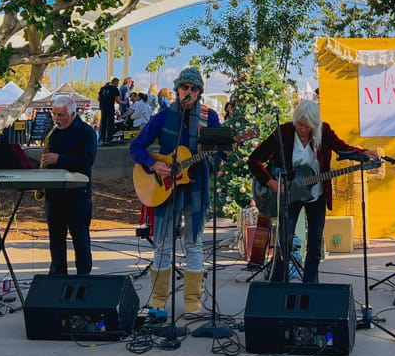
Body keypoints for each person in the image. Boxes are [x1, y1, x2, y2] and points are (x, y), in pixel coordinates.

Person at [248, 99, 377, 284]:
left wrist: (362, 153)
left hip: (316, 194)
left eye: (307, 126)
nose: (302, 129)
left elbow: (342, 148)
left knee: (315, 243)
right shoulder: (284, 132)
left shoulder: (323, 131)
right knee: (285, 241)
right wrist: (270, 182)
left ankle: (311, 286)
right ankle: (278, 284)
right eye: (299, 124)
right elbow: (255, 159)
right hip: (288, 194)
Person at [129, 68, 224, 315]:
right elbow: (136, 147)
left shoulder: (209, 116)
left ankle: (193, 302)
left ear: (199, 92)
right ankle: (158, 301)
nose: (188, 92)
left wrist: (220, 154)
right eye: (185, 88)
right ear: (177, 90)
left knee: (193, 244)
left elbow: (220, 150)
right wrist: (153, 164)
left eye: (193, 89)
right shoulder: (162, 118)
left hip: (197, 186)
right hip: (166, 189)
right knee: (162, 245)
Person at [41, 93, 99, 276]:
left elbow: (87, 160)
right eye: (54, 114)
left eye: (61, 115)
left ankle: (83, 276)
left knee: (80, 238)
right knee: (56, 239)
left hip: (77, 195)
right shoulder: (54, 133)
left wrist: (59, 159)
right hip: (55, 194)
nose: (57, 119)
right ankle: (58, 275)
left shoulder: (86, 132)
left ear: (73, 114)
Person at [97, 77, 119, 144]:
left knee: (103, 123)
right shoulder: (115, 89)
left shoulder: (102, 88)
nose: (118, 84)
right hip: (110, 107)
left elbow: (98, 98)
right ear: (114, 82)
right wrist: (122, 102)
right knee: (110, 123)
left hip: (103, 107)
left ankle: (102, 138)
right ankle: (109, 138)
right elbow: (117, 100)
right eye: (117, 83)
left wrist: (103, 101)